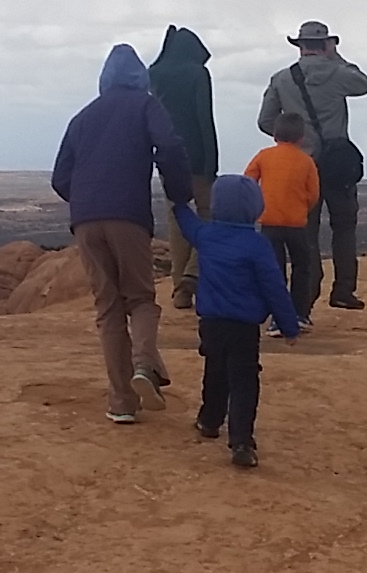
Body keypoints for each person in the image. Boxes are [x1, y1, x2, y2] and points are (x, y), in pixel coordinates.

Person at [51, 44, 194, 425]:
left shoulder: (82, 117)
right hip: (127, 216)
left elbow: (59, 177)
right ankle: (145, 366)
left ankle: (121, 402)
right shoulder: (145, 105)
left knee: (108, 308)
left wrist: (85, 200)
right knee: (141, 298)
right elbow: (169, 146)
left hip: (85, 220)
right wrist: (180, 193)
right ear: (140, 77)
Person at [170, 173, 304, 467]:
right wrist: (289, 325)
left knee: (215, 372)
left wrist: (178, 202)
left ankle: (209, 420)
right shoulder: (257, 245)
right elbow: (274, 288)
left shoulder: (206, 236)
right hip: (244, 327)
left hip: (212, 323)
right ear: (255, 207)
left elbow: (187, 223)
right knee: (244, 382)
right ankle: (241, 441)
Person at [255, 20, 367, 310]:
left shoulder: (282, 78)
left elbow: (265, 121)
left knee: (305, 232)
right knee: (344, 227)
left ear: (300, 45)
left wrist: (293, 140)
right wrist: (338, 57)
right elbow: (365, 84)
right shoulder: (339, 73)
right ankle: (343, 290)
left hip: (299, 163)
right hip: (337, 163)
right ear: (326, 45)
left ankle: (306, 294)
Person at [147, 26, 219, 312]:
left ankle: (180, 292)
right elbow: (205, 118)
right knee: (209, 216)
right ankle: (193, 273)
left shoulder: (156, 74)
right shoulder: (197, 74)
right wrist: (212, 160)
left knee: (177, 220)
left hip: (167, 157)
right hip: (197, 157)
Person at [244, 113, 326, 318]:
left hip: (269, 223)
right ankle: (299, 314)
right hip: (296, 224)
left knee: (274, 272)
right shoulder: (306, 161)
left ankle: (277, 317)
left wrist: (257, 207)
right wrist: (301, 207)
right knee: (302, 269)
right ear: (302, 137)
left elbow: (247, 182)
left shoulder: (263, 155)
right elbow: (314, 193)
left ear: (274, 136)